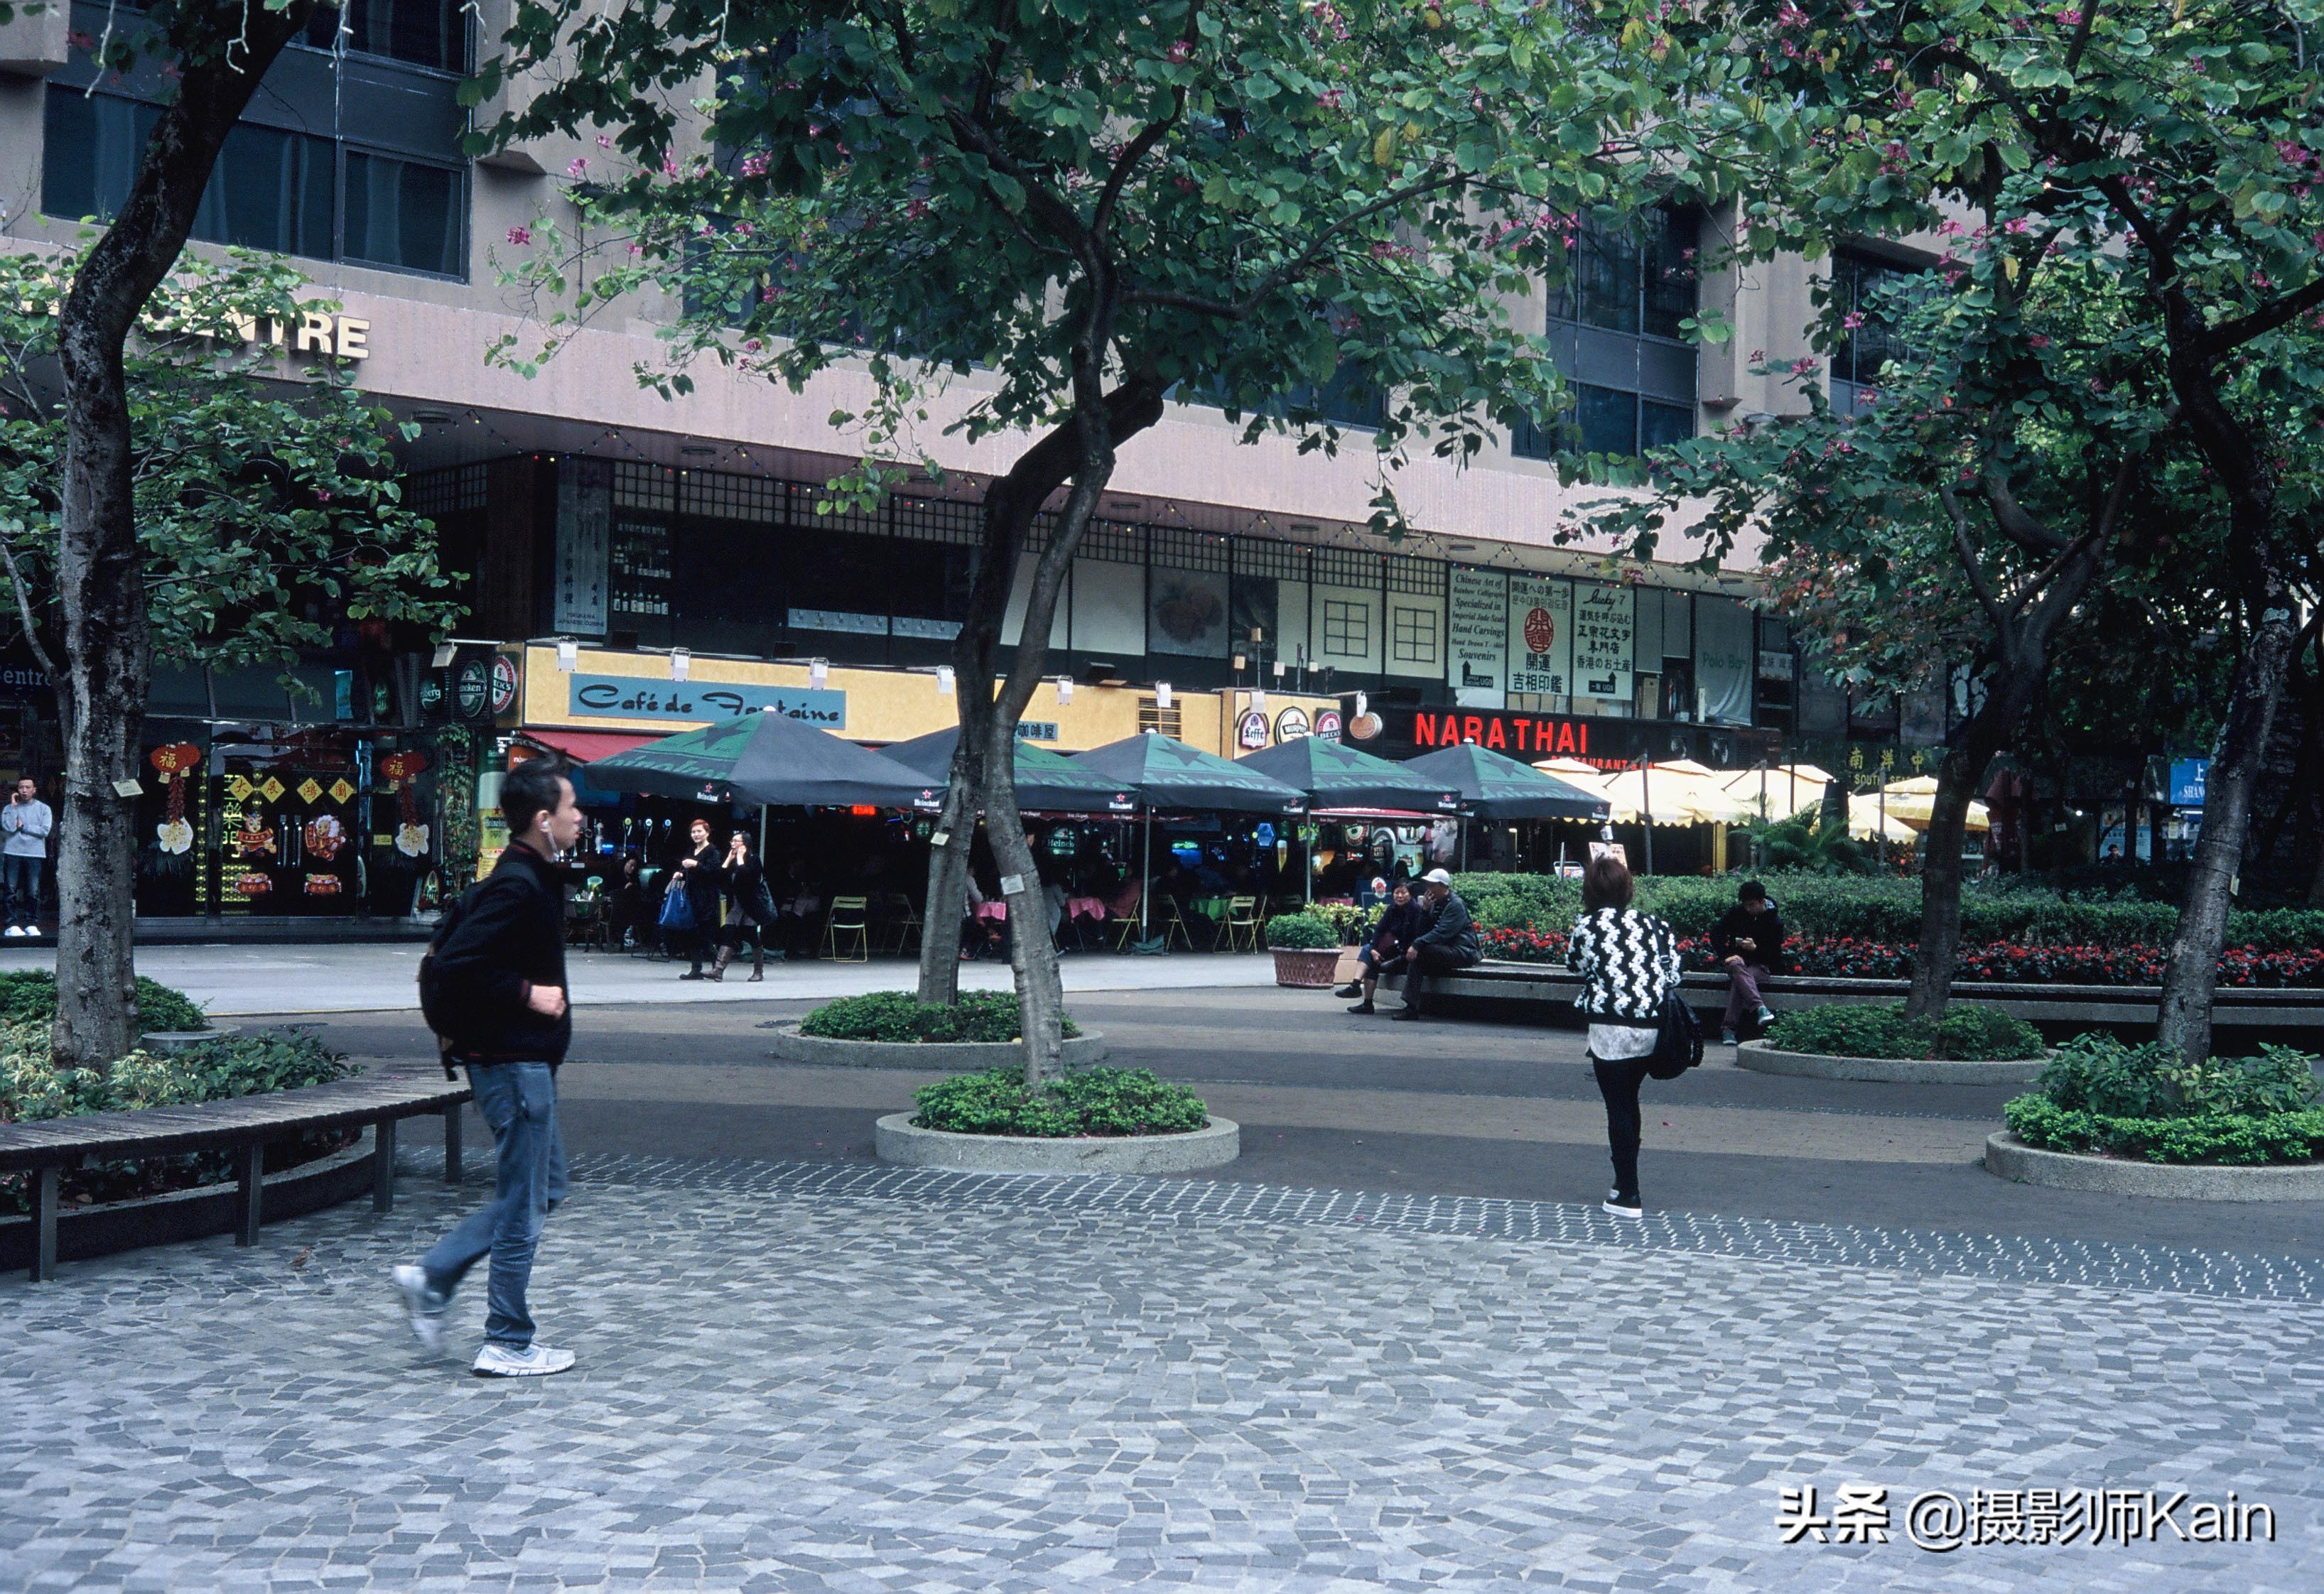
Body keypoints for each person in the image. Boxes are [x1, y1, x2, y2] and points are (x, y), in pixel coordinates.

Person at [392, 758, 581, 1377]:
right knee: (525, 1205)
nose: (579, 817)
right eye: (570, 808)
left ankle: (434, 1274)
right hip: (513, 1064)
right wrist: (529, 994)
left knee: (543, 1189)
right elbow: (461, 964)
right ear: (542, 819)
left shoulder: (529, 876)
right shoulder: (516, 885)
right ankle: (505, 1339)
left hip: (523, 1065)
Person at [1564, 855, 1682, 1220]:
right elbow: (1673, 975)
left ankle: (1627, 1192)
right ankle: (1625, 1185)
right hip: (1652, 1031)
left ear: (1590, 890)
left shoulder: (1587, 926)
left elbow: (1575, 965)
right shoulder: (1656, 925)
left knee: (1619, 1107)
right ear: (1627, 888)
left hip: (1611, 1030)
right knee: (1631, 1103)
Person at [1390, 867, 1479, 1021]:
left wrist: (1417, 945)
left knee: (1420, 950)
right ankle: (1411, 1006)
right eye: (1428, 885)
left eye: (1432, 885)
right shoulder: (1435, 903)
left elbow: (1442, 933)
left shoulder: (1455, 904)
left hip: (1463, 952)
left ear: (1443, 887)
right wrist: (1424, 910)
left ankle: (1401, 967)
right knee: (1418, 956)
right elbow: (1424, 932)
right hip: (1445, 950)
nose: (1428, 889)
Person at [1709, 879, 1785, 1045]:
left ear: (1762, 902)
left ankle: (1728, 1030)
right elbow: (1716, 933)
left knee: (1741, 981)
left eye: (1751, 905)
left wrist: (1755, 949)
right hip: (1736, 962)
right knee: (1737, 967)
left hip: (1760, 967)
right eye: (1745, 905)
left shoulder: (1775, 922)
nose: (1748, 909)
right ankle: (1760, 1008)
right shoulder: (1736, 913)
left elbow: (1774, 957)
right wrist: (1726, 955)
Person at [1338, 878, 1425, 1014]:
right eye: (1397, 893)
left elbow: (1416, 936)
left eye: (1403, 893)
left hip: (1405, 955)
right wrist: (1374, 949)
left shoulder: (1416, 911)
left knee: (1370, 956)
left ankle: (1358, 990)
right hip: (1392, 951)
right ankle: (1362, 996)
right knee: (1370, 952)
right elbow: (1379, 930)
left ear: (1410, 894)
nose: (1400, 896)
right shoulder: (1391, 909)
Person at [716, 830, 778, 981]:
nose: (732, 844)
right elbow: (721, 879)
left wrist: (739, 858)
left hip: (750, 907)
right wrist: (728, 861)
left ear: (745, 844)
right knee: (728, 933)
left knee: (752, 937)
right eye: (732, 841)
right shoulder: (734, 861)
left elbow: (748, 876)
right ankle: (718, 970)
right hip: (736, 905)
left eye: (736, 841)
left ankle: (759, 971)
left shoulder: (754, 860)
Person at [1, 777, 53, 936]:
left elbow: (44, 831)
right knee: (11, 890)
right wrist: (13, 807)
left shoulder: (44, 809)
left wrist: (24, 827)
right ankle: (11, 924)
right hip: (13, 852)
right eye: (21, 787)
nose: (24, 790)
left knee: (33, 891)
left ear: (34, 790)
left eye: (28, 787)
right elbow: (9, 827)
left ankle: (31, 922)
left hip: (34, 853)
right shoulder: (9, 808)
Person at [674, 818, 723, 980]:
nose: (696, 834)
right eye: (693, 832)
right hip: (691, 897)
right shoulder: (690, 851)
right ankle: (696, 969)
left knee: (705, 937)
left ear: (707, 833)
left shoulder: (713, 851)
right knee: (691, 934)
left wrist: (696, 865)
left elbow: (714, 872)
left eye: (699, 831)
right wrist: (680, 874)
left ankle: (718, 968)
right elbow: (686, 871)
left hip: (707, 899)